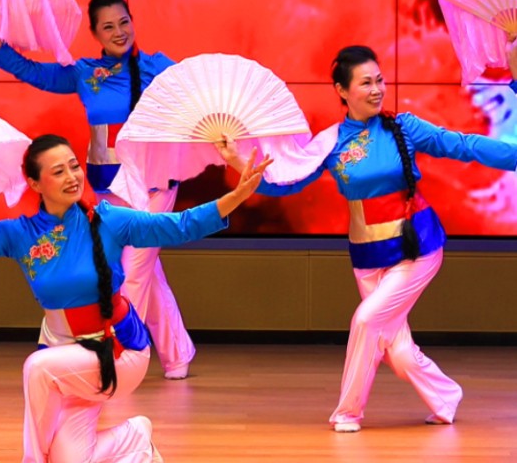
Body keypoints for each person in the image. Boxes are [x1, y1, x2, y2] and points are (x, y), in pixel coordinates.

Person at [0, 134, 270, 463]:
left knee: (37, 368)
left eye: (74, 166)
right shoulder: (21, 234)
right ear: (35, 184)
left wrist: (236, 196)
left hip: (118, 351)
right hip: (68, 361)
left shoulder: (109, 220)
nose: (72, 177)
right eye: (59, 171)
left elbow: (177, 226)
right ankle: (137, 439)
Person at [217, 44, 517, 433]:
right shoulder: (330, 142)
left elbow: (463, 145)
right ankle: (446, 395)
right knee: (401, 353)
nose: (376, 89)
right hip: (367, 255)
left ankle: (348, 412)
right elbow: (284, 184)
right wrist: (239, 160)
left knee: (366, 320)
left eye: (379, 81)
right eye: (365, 83)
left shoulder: (404, 127)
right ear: (342, 91)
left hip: (416, 247)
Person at [0, 0, 195, 379]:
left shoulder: (161, 69)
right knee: (146, 269)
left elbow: (198, 100)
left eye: (124, 22)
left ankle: (120, 357)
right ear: (95, 33)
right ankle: (178, 354)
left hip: (154, 185)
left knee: (132, 272)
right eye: (108, 26)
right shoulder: (85, 74)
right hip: (109, 185)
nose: (119, 32)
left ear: (133, 21)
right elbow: (36, 73)